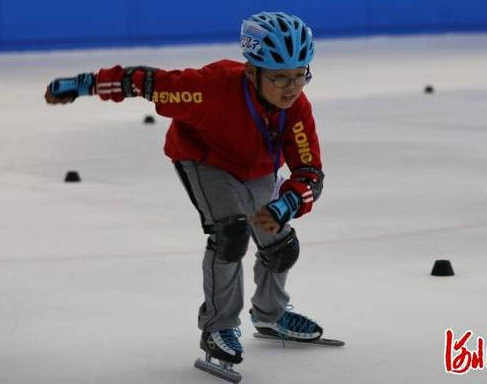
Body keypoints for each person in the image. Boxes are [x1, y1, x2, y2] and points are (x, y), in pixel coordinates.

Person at [45, 11, 325, 366]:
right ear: (252, 71)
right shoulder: (211, 88)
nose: (292, 88)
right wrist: (84, 83)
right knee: (231, 234)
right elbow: (145, 82)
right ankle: (218, 326)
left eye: (301, 75)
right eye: (280, 77)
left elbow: (310, 173)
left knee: (283, 247)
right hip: (204, 159)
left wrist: (284, 205)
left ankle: (270, 313)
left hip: (256, 167)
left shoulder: (296, 107)